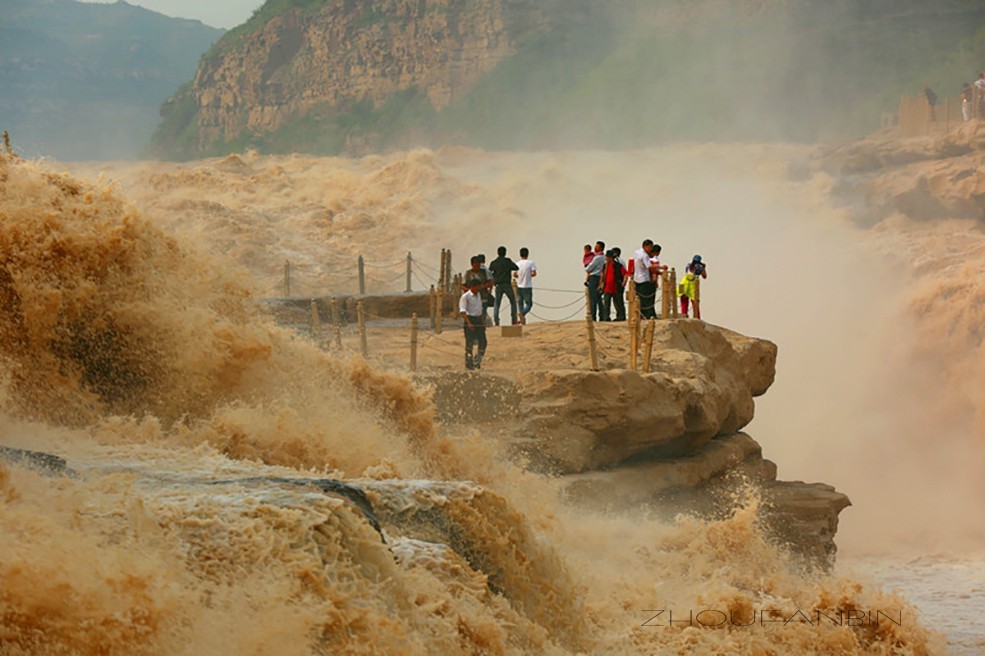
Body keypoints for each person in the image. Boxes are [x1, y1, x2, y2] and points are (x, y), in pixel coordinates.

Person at [460, 279, 487, 370]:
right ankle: (469, 363)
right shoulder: (465, 297)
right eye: (477, 287)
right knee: (469, 343)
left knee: (483, 342)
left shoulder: (479, 294)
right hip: (470, 319)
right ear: (473, 287)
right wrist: (469, 323)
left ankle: (477, 361)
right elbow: (463, 311)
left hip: (478, 320)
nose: (478, 289)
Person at [632, 239, 664, 319]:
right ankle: (647, 315)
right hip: (644, 278)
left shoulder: (637, 252)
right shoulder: (645, 255)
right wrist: (661, 267)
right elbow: (649, 266)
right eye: (650, 247)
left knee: (640, 298)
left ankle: (641, 314)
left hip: (637, 278)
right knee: (647, 299)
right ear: (646, 246)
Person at [488, 246, 519, 326]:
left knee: (497, 304)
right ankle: (514, 320)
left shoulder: (494, 262)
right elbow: (516, 267)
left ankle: (496, 321)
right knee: (513, 302)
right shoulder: (507, 261)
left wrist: (495, 278)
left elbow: (489, 272)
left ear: (498, 253)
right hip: (507, 284)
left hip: (498, 285)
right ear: (505, 253)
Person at [461, 255, 493, 322]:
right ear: (472, 265)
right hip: (471, 298)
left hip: (482, 297)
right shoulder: (468, 273)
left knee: (483, 312)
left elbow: (491, 282)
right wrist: (469, 290)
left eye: (478, 266)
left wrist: (483, 287)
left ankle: (482, 326)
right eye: (476, 266)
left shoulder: (484, 272)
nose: (477, 268)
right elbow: (462, 285)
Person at [600, 249, 627, 322]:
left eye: (607, 257)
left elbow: (625, 274)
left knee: (619, 303)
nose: (606, 259)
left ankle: (621, 316)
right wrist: (600, 285)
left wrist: (623, 283)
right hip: (607, 288)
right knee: (606, 304)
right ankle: (606, 317)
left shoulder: (618, 266)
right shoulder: (605, 266)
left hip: (616, 287)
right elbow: (603, 275)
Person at [678, 255, 707, 319]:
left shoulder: (688, 265)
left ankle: (684, 316)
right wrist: (704, 268)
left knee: (683, 302)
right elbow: (704, 276)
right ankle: (697, 317)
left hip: (682, 283)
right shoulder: (700, 267)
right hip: (692, 284)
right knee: (695, 302)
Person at [514, 247, 537, 324]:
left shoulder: (517, 264)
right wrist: (528, 275)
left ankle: (521, 318)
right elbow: (534, 273)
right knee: (529, 304)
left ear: (520, 254)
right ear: (528, 254)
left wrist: (520, 276)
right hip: (527, 286)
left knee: (520, 303)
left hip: (519, 286)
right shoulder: (531, 263)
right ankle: (522, 314)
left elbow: (514, 274)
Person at [584, 240, 606, 321]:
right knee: (599, 298)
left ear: (600, 248)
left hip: (594, 277)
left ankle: (593, 316)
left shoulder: (597, 258)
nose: (595, 248)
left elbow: (589, 268)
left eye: (597, 246)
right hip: (601, 278)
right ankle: (602, 316)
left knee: (592, 298)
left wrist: (587, 267)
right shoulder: (604, 257)